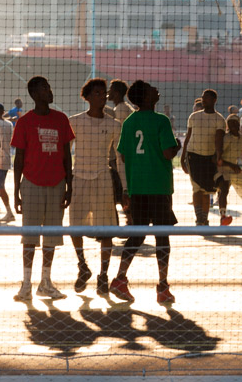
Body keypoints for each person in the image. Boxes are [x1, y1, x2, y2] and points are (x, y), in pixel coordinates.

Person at [113, 80, 179, 305]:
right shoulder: (161, 120)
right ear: (146, 97)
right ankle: (162, 286)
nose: (155, 89)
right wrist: (176, 146)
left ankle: (120, 277)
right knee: (162, 236)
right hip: (158, 187)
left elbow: (122, 155)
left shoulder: (130, 122)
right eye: (151, 88)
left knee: (137, 234)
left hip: (138, 187)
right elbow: (169, 153)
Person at [11, 76, 74, 300]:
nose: (50, 91)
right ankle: (26, 284)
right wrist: (16, 189)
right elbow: (18, 159)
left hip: (57, 183)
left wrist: (69, 185)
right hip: (31, 184)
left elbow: (67, 156)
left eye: (49, 87)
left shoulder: (61, 119)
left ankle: (45, 282)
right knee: (29, 237)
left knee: (51, 237)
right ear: (35, 94)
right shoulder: (24, 122)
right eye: (45, 88)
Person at [66, 79, 122, 294]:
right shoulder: (75, 122)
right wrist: (66, 181)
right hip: (78, 178)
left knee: (106, 229)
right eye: (97, 93)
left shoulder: (114, 125)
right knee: (75, 227)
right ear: (87, 97)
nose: (102, 96)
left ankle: (104, 275)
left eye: (103, 93)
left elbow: (119, 158)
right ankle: (82, 267)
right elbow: (65, 153)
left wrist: (124, 189)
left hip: (103, 179)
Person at [181, 90, 228, 227]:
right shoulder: (193, 117)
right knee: (196, 189)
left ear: (214, 100)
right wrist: (183, 157)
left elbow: (219, 140)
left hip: (209, 158)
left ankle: (205, 218)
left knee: (207, 190)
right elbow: (188, 138)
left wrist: (219, 156)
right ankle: (199, 218)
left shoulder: (219, 119)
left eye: (206, 98)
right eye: (202, 97)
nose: (203, 100)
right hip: (193, 156)